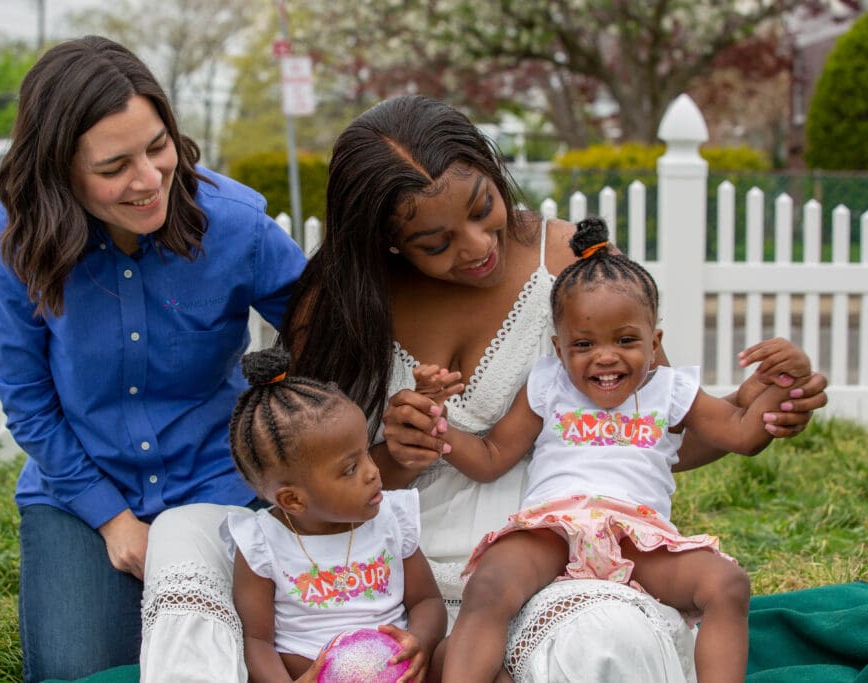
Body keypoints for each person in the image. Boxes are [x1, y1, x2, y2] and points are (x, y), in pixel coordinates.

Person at [142, 95, 827, 682]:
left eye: (482, 207)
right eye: (435, 242)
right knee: (183, 532)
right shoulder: (342, 300)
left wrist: (763, 414)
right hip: (371, 572)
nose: (475, 246)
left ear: (494, 171)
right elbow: (308, 473)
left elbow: (646, 436)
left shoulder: (575, 265)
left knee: (606, 638)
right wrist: (395, 454)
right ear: (385, 241)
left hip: (541, 559)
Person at [0, 36, 306, 682]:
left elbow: (325, 328)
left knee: (260, 654)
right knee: (80, 669)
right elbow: (28, 401)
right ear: (60, 169)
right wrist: (115, 520)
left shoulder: (233, 223)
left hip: (221, 480)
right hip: (83, 490)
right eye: (114, 165)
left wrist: (292, 431)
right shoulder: (14, 240)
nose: (150, 179)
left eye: (158, 146)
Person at [425, 216, 808, 682]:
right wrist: (438, 425)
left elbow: (744, 433)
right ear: (559, 348)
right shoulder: (547, 383)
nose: (605, 356)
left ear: (654, 343)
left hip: (639, 537)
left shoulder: (670, 389)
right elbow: (490, 458)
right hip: (552, 529)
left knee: (728, 583)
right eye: (583, 344)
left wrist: (786, 377)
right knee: (489, 585)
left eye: (626, 340)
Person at [222, 347, 446, 682]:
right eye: (351, 468)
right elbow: (257, 641)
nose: (373, 472)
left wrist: (420, 643)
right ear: (293, 500)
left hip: (395, 670)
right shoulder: (261, 543)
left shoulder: (391, 519)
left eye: (367, 454)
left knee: (469, 656)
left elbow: (427, 600)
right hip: (312, 670)